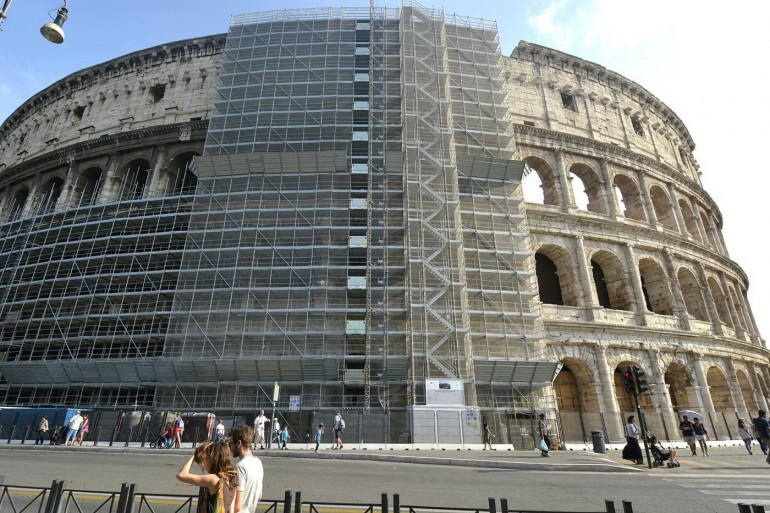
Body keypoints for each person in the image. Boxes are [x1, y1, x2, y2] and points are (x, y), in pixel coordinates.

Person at [176, 441, 238, 513]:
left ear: (214, 459)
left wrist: (195, 455)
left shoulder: (213, 479)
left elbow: (181, 475)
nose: (205, 461)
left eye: (208, 458)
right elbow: (231, 511)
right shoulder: (232, 477)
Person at [228, 425, 264, 513]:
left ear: (238, 443)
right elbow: (259, 496)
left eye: (230, 444)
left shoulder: (240, 467)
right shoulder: (258, 462)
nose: (229, 447)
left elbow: (237, 506)